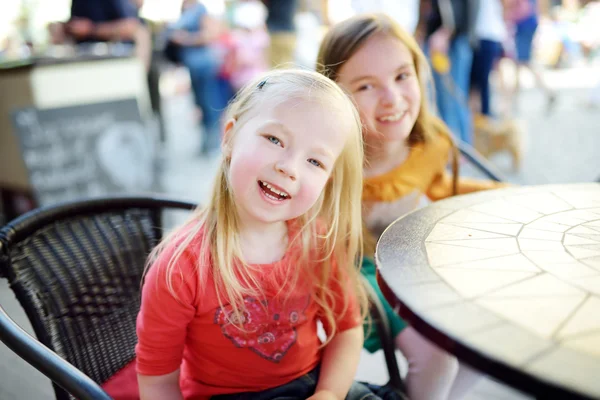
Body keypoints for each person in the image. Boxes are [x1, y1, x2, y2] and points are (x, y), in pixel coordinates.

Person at [135, 69, 403, 400]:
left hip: (314, 383)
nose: (289, 167)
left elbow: (345, 331)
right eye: (274, 140)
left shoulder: (316, 242)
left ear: (328, 180)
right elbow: (157, 382)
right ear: (230, 137)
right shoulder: (179, 268)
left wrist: (329, 394)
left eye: (315, 161)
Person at [317, 14, 506, 400]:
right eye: (366, 85)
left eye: (402, 76)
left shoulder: (426, 143)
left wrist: (505, 194)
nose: (392, 98)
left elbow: (437, 187)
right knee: (438, 358)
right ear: (333, 95)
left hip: (416, 261)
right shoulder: (325, 161)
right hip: (355, 273)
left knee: (499, 325)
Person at [167, 0, 234, 156]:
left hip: (204, 65)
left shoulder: (200, 9)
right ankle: (206, 140)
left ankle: (213, 143)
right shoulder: (185, 8)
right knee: (199, 104)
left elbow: (209, 35)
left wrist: (184, 38)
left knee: (209, 103)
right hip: (192, 66)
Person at [424, 0, 480, 145]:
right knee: (447, 98)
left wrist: (446, 31)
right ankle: (456, 146)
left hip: (452, 40)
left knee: (452, 98)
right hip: (449, 38)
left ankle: (460, 148)